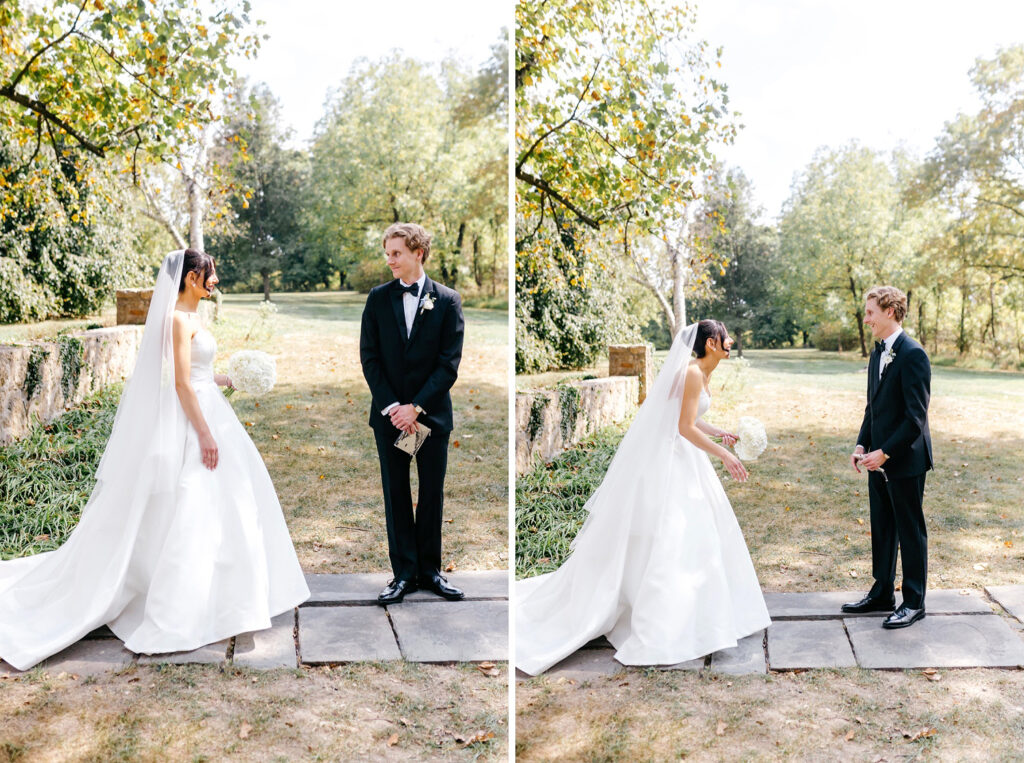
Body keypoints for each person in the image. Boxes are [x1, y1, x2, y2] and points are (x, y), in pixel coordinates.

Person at [0, 250, 309, 671]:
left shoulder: (196, 317)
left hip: (211, 405)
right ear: (190, 278)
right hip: (194, 418)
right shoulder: (177, 320)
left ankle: (227, 596)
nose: (214, 280)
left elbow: (200, 374)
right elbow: (181, 384)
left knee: (230, 503)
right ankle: (182, 604)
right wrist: (204, 434)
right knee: (189, 502)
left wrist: (230, 377)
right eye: (208, 275)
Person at [515, 320, 771, 675]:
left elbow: (691, 417)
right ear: (712, 343)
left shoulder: (700, 372)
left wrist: (721, 433)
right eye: (727, 338)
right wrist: (724, 456)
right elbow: (683, 427)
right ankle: (661, 619)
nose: (731, 341)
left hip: (685, 457)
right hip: (671, 460)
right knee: (672, 534)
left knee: (695, 535)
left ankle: (699, 611)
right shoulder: (693, 372)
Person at [359, 223, 465, 605]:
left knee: (431, 493)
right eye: (387, 253)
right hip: (390, 418)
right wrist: (394, 408)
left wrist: (416, 408)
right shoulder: (377, 299)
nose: (389, 260)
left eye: (396, 253)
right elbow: (369, 358)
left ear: (418, 252)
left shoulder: (448, 300)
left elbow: (448, 365)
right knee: (397, 493)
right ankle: (403, 574)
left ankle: (431, 572)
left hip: (430, 417)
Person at [844, 285, 932, 629]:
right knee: (882, 527)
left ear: (889, 312)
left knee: (909, 531)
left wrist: (886, 453)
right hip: (875, 459)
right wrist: (862, 446)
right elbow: (873, 408)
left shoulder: (913, 354)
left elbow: (915, 418)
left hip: (904, 459)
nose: (866, 319)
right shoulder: (877, 352)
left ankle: (914, 602)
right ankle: (882, 593)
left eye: (870, 313)